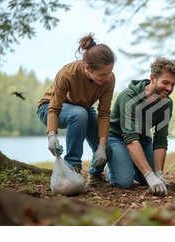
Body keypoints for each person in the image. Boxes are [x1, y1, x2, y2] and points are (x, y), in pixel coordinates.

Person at [37, 33, 116, 187]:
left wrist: (101, 147)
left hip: (83, 110)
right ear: (88, 68)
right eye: (102, 74)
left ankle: (95, 175)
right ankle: (72, 168)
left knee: (107, 148)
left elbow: (104, 113)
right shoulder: (68, 73)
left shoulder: (109, 79)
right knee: (78, 114)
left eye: (109, 72)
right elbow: (54, 107)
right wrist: (51, 136)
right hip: (49, 108)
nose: (107, 78)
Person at [106, 57, 175, 196]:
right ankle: (110, 167)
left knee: (145, 179)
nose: (169, 88)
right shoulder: (128, 97)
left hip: (142, 139)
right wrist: (149, 175)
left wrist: (158, 174)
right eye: (165, 83)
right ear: (153, 78)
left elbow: (160, 138)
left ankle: (130, 164)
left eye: (173, 84)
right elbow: (129, 138)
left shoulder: (166, 103)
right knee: (124, 182)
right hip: (117, 138)